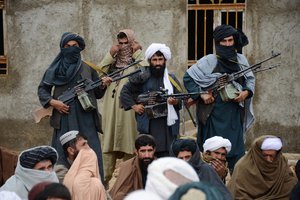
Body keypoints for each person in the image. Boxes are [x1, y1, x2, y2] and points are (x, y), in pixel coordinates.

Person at [38, 32, 111, 181]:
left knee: (91, 154)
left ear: (80, 48)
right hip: (64, 118)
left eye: (75, 46)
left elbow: (97, 93)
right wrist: (54, 102)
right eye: (68, 46)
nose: (71, 49)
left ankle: (94, 189)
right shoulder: (54, 70)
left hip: (87, 119)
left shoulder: (88, 68)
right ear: (62, 48)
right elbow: (42, 90)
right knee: (64, 157)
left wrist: (103, 85)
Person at [183, 24, 255, 171]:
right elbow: (188, 78)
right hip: (212, 114)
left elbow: (250, 80)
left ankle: (236, 187)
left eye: (230, 40)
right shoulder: (208, 61)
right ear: (217, 43)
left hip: (234, 115)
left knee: (237, 157)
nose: (228, 44)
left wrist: (245, 93)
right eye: (224, 41)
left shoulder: (241, 60)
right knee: (212, 156)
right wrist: (201, 94)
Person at [95, 29, 147, 185]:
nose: (124, 47)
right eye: (121, 43)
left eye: (127, 43)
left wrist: (137, 53)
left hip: (129, 118)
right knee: (106, 155)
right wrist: (110, 55)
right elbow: (97, 76)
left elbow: (147, 72)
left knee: (130, 153)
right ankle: (101, 189)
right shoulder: (112, 65)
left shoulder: (137, 64)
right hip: (111, 117)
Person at [121, 43, 181, 157]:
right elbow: (124, 92)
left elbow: (181, 98)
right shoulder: (142, 77)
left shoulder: (171, 79)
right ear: (149, 61)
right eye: (154, 60)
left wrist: (175, 102)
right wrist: (135, 106)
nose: (158, 63)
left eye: (160, 59)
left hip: (167, 126)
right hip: (148, 124)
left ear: (165, 61)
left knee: (168, 157)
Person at [228, 135, 297, 199]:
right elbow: (238, 193)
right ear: (257, 153)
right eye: (265, 155)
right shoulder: (243, 167)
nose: (268, 160)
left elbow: (289, 185)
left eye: (271, 156)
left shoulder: (281, 163)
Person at [109, 134, 156, 200]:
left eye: (149, 150)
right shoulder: (128, 166)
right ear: (136, 152)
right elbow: (119, 195)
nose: (147, 155)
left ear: (154, 150)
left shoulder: (161, 166)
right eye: (143, 151)